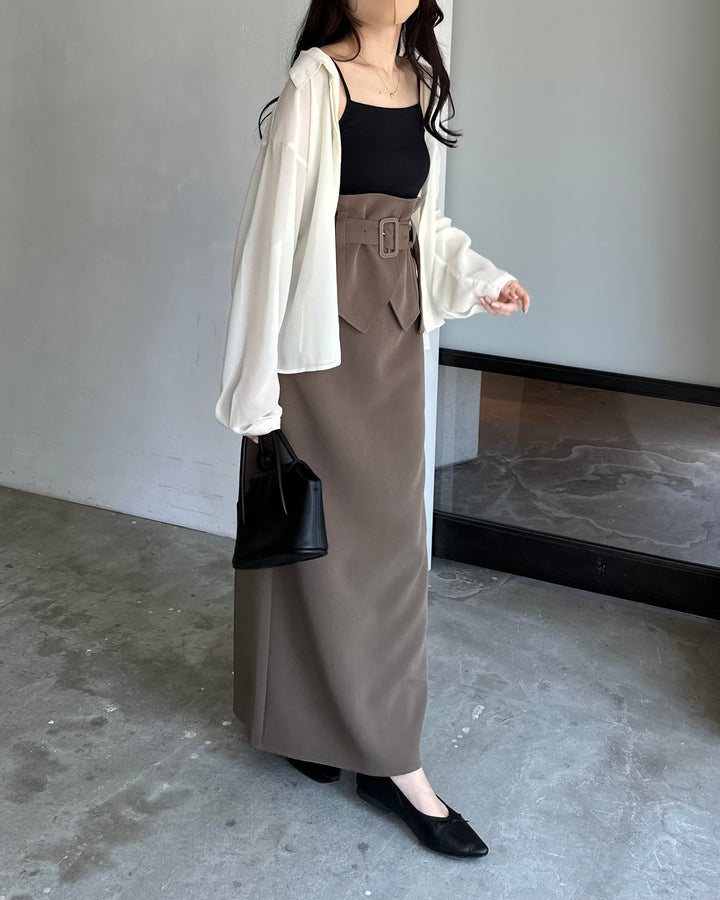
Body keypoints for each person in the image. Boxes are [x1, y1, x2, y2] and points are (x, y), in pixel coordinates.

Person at [215, 0, 530, 859]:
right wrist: (256, 391)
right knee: (314, 537)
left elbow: (425, 221)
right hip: (317, 345)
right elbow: (273, 236)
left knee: (386, 545)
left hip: (391, 336)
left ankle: (367, 743)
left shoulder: (418, 82)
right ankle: (366, 751)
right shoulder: (317, 80)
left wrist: (481, 277)